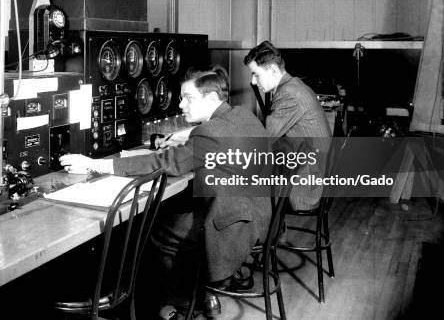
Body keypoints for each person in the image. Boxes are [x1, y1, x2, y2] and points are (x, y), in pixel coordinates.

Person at [60, 66, 271, 319]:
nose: (181, 105)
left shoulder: (209, 132)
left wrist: (93, 163)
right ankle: (203, 294)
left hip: (233, 227)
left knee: (158, 229)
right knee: (176, 213)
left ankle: (185, 305)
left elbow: (163, 164)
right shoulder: (243, 115)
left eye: (188, 98)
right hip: (260, 215)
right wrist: (185, 143)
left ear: (212, 99)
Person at [244, 41, 332, 210]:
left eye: (256, 74)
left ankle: (265, 234)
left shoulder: (289, 94)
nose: (253, 82)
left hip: (306, 185)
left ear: (273, 70)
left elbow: (264, 138)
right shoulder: (294, 84)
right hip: (310, 168)